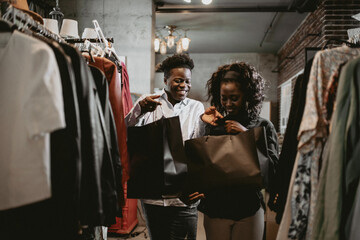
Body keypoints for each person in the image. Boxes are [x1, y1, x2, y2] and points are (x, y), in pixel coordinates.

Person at [125, 54, 204, 240]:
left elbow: (199, 147)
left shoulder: (196, 107)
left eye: (187, 81)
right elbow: (126, 130)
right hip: (153, 194)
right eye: (178, 80)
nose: (184, 85)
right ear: (165, 80)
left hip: (183, 196)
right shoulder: (148, 101)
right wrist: (140, 110)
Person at [199, 62, 279, 240]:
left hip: (248, 208)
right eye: (223, 98)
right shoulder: (214, 126)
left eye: (234, 98)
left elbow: (273, 169)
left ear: (247, 96)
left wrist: (246, 135)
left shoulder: (263, 126)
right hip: (215, 207)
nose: (228, 104)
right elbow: (202, 165)